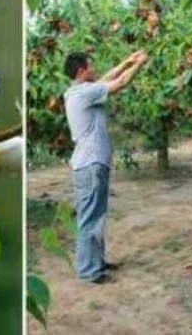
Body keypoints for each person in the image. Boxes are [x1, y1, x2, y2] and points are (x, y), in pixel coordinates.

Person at [63, 48, 149, 284]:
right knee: (90, 219)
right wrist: (140, 64)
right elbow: (119, 82)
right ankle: (89, 272)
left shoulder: (77, 92)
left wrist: (127, 60)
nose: (96, 68)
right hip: (90, 165)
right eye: (91, 65)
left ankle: (96, 263)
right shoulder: (84, 94)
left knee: (95, 217)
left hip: (89, 164)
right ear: (82, 70)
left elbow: (109, 77)